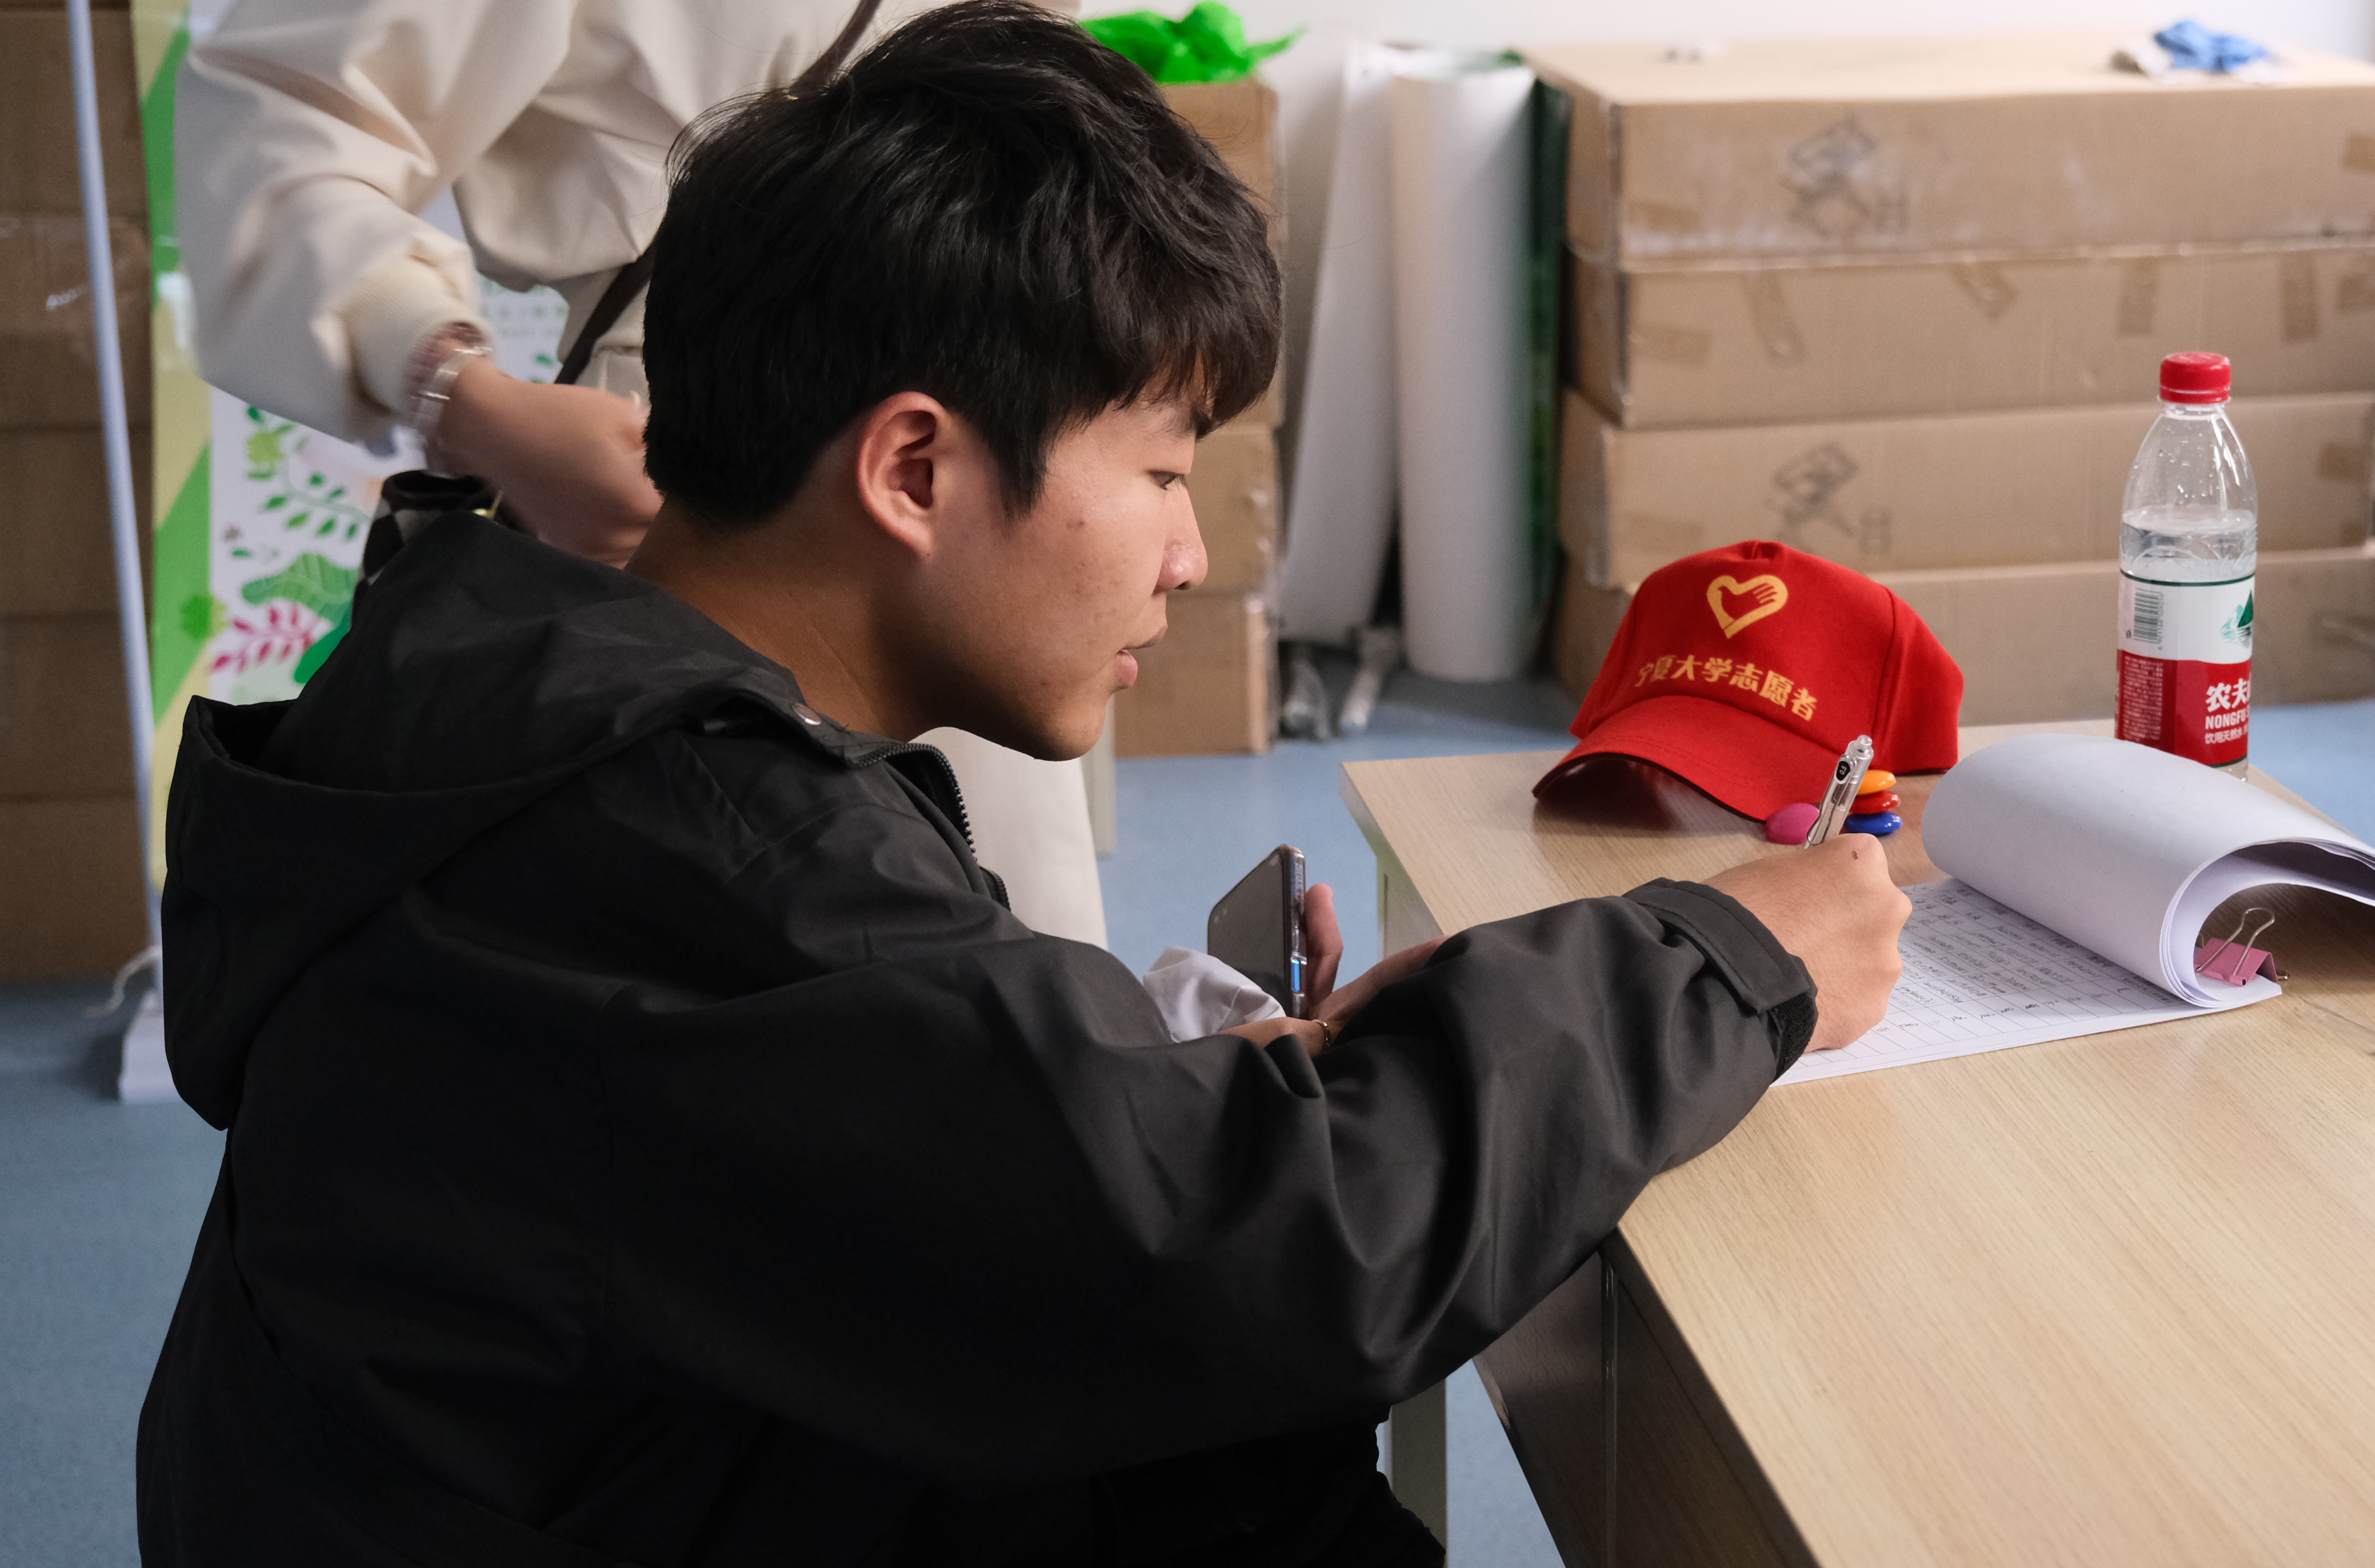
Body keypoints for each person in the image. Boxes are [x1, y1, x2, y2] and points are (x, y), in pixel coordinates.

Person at [136, 6, 1914, 1564]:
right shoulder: (737, 862)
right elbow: (1266, 1256)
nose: (1191, 557)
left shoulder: (527, 692)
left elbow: (934, 1131)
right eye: (1162, 472)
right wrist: (1727, 956)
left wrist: (1189, 1092)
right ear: (915, 468)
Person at [176, 0, 1112, 945]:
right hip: (676, 469)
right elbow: (277, 114)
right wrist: (463, 397)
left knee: (989, 950)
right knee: (720, 945)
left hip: (999, 443)